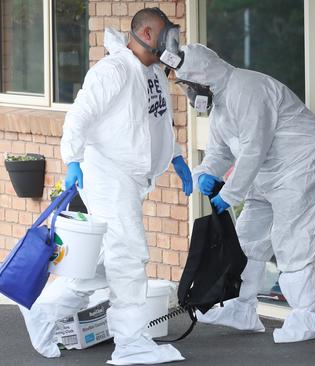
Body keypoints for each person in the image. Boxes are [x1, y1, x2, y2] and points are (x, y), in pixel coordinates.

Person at [20, 8, 191, 364]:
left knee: (95, 266)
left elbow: (157, 121)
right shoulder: (113, 71)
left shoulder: (153, 72)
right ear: (145, 33)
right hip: (110, 178)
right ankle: (131, 342)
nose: (171, 41)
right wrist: (72, 160)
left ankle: (41, 309)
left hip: (132, 180)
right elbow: (79, 115)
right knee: (128, 256)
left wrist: (174, 157)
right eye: (165, 33)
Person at [174, 44, 315, 343]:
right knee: (247, 238)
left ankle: (306, 316)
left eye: (188, 86)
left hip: (302, 166)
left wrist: (231, 194)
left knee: (292, 240)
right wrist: (205, 174)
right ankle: (243, 308)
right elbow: (219, 152)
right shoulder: (221, 104)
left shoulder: (247, 89)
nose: (188, 94)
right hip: (267, 173)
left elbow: (253, 148)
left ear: (203, 79)